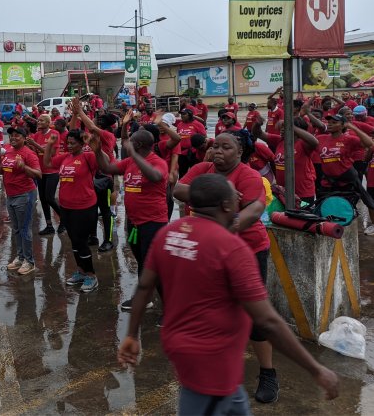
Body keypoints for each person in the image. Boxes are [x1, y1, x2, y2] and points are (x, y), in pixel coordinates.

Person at [118, 174, 339, 415]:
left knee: (232, 403)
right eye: (235, 195)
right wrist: (315, 369)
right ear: (226, 205)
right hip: (212, 357)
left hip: (181, 347)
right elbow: (267, 320)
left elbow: (143, 287)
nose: (239, 198)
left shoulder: (168, 234)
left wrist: (131, 334)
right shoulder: (229, 247)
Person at [174, 132, 278, 404]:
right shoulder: (202, 169)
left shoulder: (250, 176)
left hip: (248, 251)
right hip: (208, 252)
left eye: (226, 147)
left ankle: (268, 373)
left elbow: (252, 212)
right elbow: (177, 189)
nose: (218, 151)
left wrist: (218, 222)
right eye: (215, 145)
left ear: (240, 152)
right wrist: (218, 192)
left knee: (256, 317)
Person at [94, 129, 168, 312]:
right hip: (134, 223)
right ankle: (146, 298)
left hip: (153, 223)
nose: (125, 144)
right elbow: (108, 168)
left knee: (153, 265)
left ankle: (170, 308)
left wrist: (134, 155)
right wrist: (97, 151)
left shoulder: (157, 162)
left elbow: (156, 176)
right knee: (143, 262)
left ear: (138, 145)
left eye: (130, 142)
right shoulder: (129, 162)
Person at [43, 129, 99, 292]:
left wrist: (92, 143)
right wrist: (49, 144)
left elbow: (103, 160)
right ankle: (81, 271)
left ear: (81, 144)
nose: (69, 146)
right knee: (73, 241)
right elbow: (47, 163)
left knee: (81, 242)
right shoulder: (65, 157)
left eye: (73, 143)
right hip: (66, 208)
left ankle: (91, 275)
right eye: (68, 143)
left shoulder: (88, 157)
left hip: (85, 207)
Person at [0, 126, 41, 274]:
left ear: (25, 139)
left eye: (17, 136)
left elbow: (38, 175)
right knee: (16, 228)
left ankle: (29, 262)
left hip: (25, 195)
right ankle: (20, 257)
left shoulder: (29, 154)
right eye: (11, 135)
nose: (12, 138)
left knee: (25, 229)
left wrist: (24, 167)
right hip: (10, 195)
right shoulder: (7, 150)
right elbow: (3, 170)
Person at [72, 100, 117, 252]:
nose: (96, 119)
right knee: (91, 208)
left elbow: (91, 126)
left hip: (104, 178)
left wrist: (80, 111)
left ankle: (109, 240)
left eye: (98, 119)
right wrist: (74, 114)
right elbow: (72, 131)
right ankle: (93, 236)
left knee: (105, 210)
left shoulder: (108, 136)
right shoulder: (89, 136)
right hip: (89, 178)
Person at [253, 113, 319, 204]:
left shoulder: (303, 144)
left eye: (285, 127)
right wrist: (257, 124)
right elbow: (258, 133)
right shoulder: (279, 140)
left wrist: (291, 126)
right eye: (283, 127)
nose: (282, 129)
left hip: (303, 192)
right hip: (284, 192)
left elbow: (315, 142)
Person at [27, 114, 64, 235]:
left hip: (52, 170)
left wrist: (35, 144)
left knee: (49, 197)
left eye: (42, 120)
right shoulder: (36, 135)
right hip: (40, 171)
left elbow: (52, 153)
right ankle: (49, 225)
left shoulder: (54, 134)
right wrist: (29, 146)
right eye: (38, 120)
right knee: (43, 199)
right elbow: (35, 153)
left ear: (48, 123)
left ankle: (63, 219)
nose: (39, 122)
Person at [175, 108, 207, 177]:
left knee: (196, 174)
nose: (182, 116)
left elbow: (203, 138)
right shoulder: (180, 124)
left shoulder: (198, 124)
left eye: (184, 114)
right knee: (182, 174)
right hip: (182, 153)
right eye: (181, 114)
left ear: (190, 115)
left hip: (194, 153)